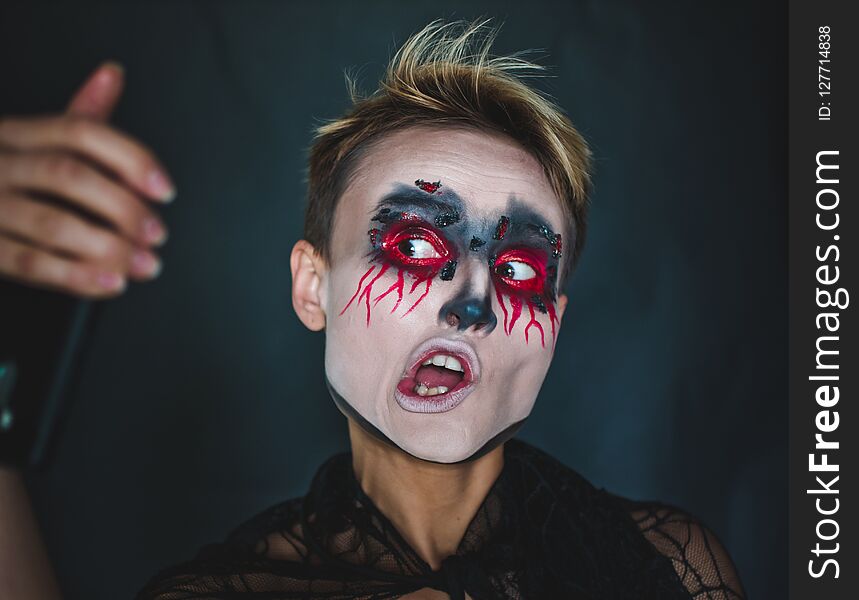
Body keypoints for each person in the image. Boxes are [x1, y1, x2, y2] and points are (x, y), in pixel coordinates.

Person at [0, 20, 746, 600]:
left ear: (556, 325)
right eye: (417, 249)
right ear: (311, 288)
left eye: (520, 268)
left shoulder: (669, 567)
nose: (473, 304)